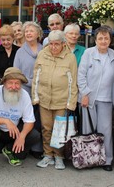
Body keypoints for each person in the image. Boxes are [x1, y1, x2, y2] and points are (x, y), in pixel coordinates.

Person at [0, 67, 41, 177]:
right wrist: (5, 121)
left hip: (14, 132)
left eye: (17, 83)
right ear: (4, 83)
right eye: (10, 83)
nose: (14, 87)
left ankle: (10, 150)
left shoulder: (25, 95)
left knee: (34, 135)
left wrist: (22, 136)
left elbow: (30, 121)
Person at [32, 30, 78, 170]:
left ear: (63, 44)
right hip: (45, 99)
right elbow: (36, 77)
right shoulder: (42, 54)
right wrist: (35, 97)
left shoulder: (70, 57)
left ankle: (59, 156)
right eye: (51, 44)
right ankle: (48, 155)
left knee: (60, 130)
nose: (53, 47)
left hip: (61, 100)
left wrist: (71, 103)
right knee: (46, 128)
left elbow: (73, 82)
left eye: (56, 44)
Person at [77, 25, 114, 171]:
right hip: (89, 98)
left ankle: (106, 160)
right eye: (100, 38)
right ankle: (88, 159)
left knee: (105, 131)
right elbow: (80, 75)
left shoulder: (113, 55)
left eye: (106, 38)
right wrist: (85, 94)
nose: (103, 41)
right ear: (95, 39)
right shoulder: (89, 53)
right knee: (88, 131)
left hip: (106, 99)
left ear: (110, 40)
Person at [13, 21, 43, 158]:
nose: (28, 33)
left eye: (31, 31)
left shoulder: (45, 50)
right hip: (25, 90)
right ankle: (21, 147)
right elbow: (16, 73)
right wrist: (31, 82)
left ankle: (37, 148)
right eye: (26, 31)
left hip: (42, 90)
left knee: (39, 119)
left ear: (38, 34)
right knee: (25, 119)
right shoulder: (20, 52)